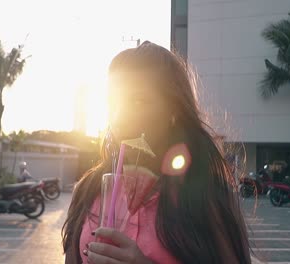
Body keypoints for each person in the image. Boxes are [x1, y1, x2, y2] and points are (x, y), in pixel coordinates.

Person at [62, 41, 250, 263]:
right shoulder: (88, 189)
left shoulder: (207, 196)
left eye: (138, 101)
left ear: (174, 111)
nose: (120, 116)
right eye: (114, 101)